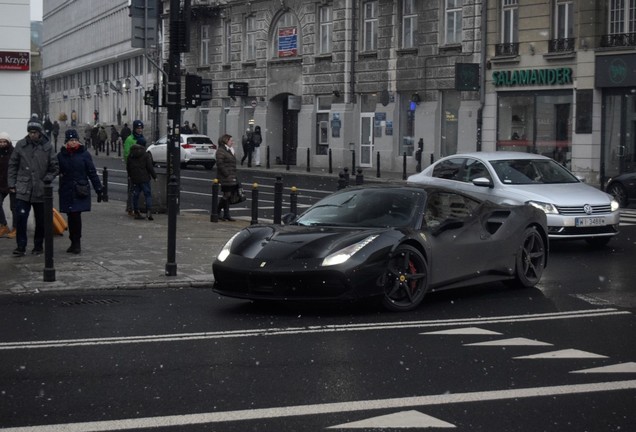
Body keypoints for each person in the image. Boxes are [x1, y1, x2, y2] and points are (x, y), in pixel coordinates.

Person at [7, 115, 59, 256]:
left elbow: (54, 167)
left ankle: (38, 246)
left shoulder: (47, 147)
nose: (32, 135)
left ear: (40, 132)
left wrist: (46, 180)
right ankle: (21, 246)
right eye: (30, 132)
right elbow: (12, 165)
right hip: (23, 188)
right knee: (21, 219)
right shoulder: (21, 145)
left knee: (41, 221)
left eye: (35, 132)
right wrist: (12, 183)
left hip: (40, 189)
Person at [57, 129, 104, 254]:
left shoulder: (84, 154)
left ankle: (76, 242)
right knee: (70, 216)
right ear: (66, 142)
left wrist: (99, 189)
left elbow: (92, 173)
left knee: (76, 216)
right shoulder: (61, 155)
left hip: (79, 189)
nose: (73, 143)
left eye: (75, 140)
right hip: (67, 189)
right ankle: (73, 241)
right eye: (71, 140)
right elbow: (55, 170)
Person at [127, 142, 156, 220]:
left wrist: (130, 176)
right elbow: (149, 167)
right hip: (145, 178)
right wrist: (154, 176)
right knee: (147, 195)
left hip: (135, 178)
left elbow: (128, 168)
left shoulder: (131, 156)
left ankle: (136, 212)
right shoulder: (145, 155)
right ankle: (149, 211)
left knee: (135, 195)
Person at [123, 120, 147, 216]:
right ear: (134, 129)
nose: (140, 130)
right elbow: (126, 154)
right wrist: (130, 166)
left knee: (139, 189)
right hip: (133, 169)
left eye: (141, 128)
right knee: (132, 189)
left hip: (141, 168)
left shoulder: (142, 138)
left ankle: (137, 207)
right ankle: (130, 208)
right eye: (138, 128)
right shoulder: (129, 139)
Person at [216, 134, 238, 221]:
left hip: (231, 176)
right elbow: (220, 163)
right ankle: (217, 211)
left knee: (229, 196)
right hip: (225, 176)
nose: (232, 142)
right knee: (227, 195)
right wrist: (227, 174)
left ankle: (226, 214)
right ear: (226, 141)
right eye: (231, 140)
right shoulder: (221, 151)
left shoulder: (230, 150)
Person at [0, 132, 16, 239]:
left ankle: (16, 228)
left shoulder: (14, 153)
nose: (2, 144)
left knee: (14, 207)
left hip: (13, 183)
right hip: (1, 183)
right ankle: (3, 225)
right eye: (0, 142)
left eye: (4, 141)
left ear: (8, 142)